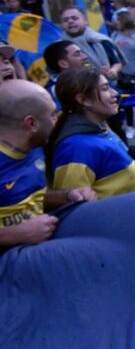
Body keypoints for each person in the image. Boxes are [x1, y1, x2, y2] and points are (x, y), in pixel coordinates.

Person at [0, 80, 97, 246]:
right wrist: (11, 235)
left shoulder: (35, 148)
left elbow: (26, 195)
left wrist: (67, 196)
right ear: (32, 123)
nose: (57, 120)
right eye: (52, 115)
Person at [48, 66, 135, 198]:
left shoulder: (100, 126)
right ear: (83, 100)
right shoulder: (75, 148)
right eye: (105, 88)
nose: (115, 93)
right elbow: (78, 209)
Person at [59, 6, 123, 83]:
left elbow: (117, 62)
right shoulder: (58, 47)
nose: (70, 21)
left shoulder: (101, 40)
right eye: (65, 20)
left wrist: (113, 71)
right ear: (62, 25)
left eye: (75, 18)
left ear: (85, 21)